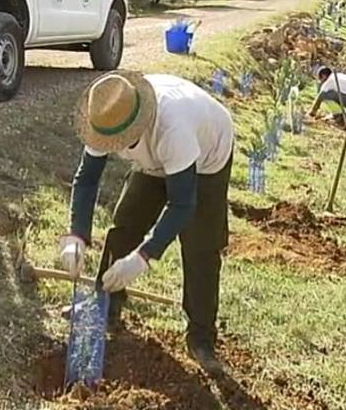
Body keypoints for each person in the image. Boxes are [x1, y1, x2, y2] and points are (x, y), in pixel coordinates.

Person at [59, 71, 234, 374]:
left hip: (207, 159)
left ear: (136, 128)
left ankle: (201, 337)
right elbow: (86, 179)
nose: (112, 147)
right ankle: (106, 304)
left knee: (200, 247)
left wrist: (143, 257)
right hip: (156, 159)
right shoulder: (107, 113)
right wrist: (77, 236)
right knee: (126, 222)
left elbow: (182, 204)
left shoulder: (172, 128)